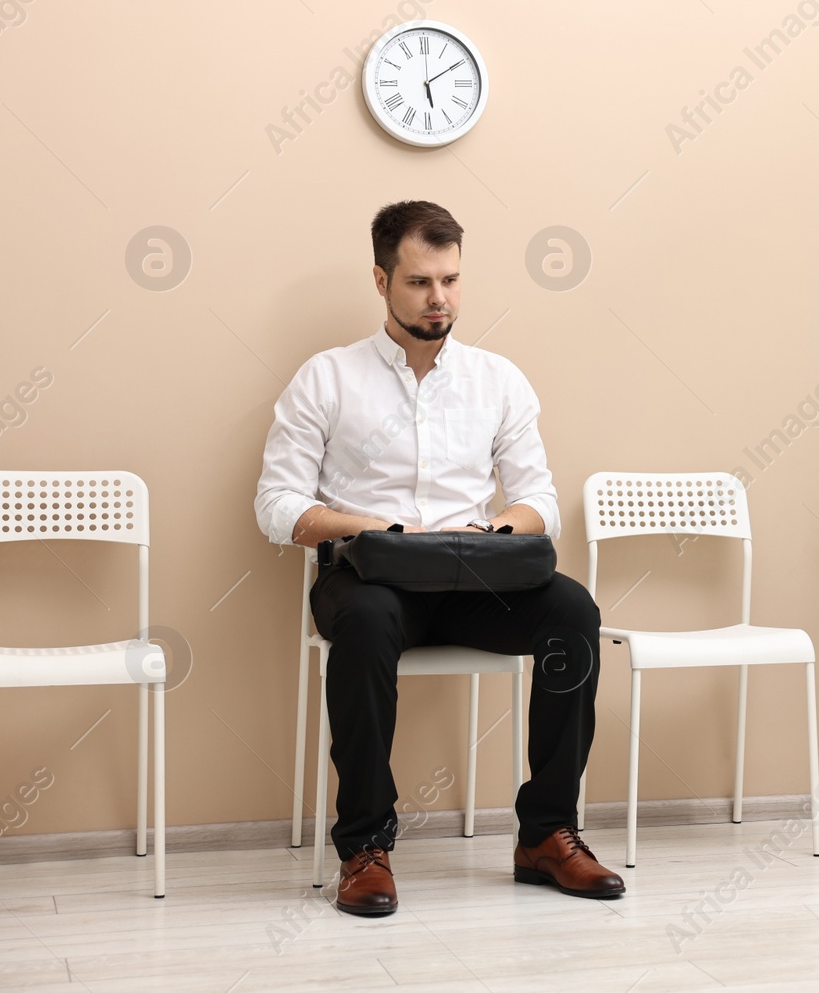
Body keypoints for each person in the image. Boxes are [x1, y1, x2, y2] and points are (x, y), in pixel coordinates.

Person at [254, 200, 623, 915]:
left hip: (475, 574)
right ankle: (366, 846)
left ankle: (546, 833)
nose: (440, 298)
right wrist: (384, 530)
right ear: (381, 279)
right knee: (361, 625)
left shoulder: (498, 379)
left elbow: (538, 496)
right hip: (370, 578)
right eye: (421, 282)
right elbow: (278, 507)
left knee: (573, 610)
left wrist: (497, 530)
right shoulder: (326, 378)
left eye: (451, 279)